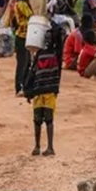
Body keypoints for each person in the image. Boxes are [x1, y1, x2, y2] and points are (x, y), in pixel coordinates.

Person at [25, 26, 64, 156]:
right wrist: (28, 90)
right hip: (38, 90)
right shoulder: (39, 53)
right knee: (37, 119)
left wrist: (51, 24)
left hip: (49, 90)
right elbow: (33, 71)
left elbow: (60, 34)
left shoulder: (56, 53)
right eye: (45, 38)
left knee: (48, 119)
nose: (47, 40)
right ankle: (37, 146)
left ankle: (50, 147)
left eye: (49, 38)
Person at [11, 0, 33, 95]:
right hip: (22, 36)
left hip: (24, 36)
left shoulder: (18, 3)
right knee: (22, 63)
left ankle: (24, 85)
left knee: (27, 62)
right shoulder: (22, 4)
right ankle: (19, 87)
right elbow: (30, 15)